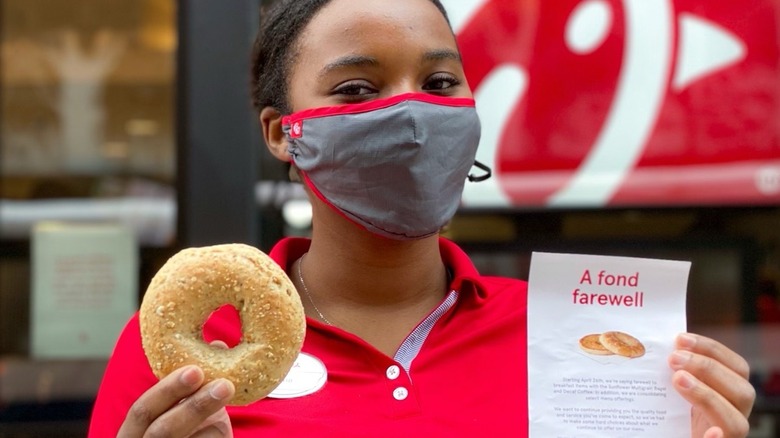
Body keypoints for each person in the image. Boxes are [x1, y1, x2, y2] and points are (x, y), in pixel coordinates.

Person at [88, 0, 756, 436]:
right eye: (357, 89)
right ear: (281, 133)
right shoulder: (175, 353)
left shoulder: (570, 336)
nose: (413, 115)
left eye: (439, 84)